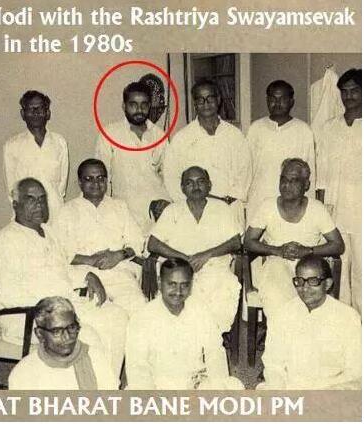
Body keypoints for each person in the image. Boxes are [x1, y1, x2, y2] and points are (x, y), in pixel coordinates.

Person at [0, 177, 128, 376]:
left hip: (64, 304)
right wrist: (53, 306)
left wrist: (87, 275)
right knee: (90, 337)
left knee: (117, 318)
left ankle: (107, 385)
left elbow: (61, 269)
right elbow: (7, 294)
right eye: (31, 199)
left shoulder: (47, 232)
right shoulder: (7, 241)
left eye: (42, 199)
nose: (38, 205)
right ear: (15, 204)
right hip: (29, 317)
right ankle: (91, 386)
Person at [244, 158, 345, 328]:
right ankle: (281, 339)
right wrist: (277, 250)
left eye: (294, 180)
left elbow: (338, 245)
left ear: (306, 185)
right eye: (283, 179)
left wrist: (308, 251)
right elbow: (248, 242)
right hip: (276, 265)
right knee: (277, 296)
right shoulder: (267, 206)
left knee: (307, 298)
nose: (286, 185)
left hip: (309, 266)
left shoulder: (317, 208)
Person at [125, 258, 244, 390]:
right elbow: (137, 368)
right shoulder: (142, 317)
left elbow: (215, 353)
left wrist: (217, 388)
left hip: (195, 384)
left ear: (191, 285)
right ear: (159, 282)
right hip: (158, 387)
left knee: (234, 386)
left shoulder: (201, 311)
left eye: (184, 285)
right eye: (172, 284)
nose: (178, 291)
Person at [148, 166, 241, 332]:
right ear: (182, 188)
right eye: (189, 183)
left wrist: (206, 255)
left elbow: (236, 242)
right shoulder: (173, 210)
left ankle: (209, 338)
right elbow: (153, 244)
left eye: (200, 182)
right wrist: (184, 258)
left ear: (209, 185)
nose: (196, 187)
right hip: (179, 270)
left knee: (221, 294)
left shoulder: (222, 209)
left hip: (215, 269)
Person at [53, 159, 147, 315]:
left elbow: (137, 241)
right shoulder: (67, 211)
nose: (96, 183)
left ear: (106, 180)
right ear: (80, 182)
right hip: (85, 276)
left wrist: (118, 255)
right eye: (89, 179)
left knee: (139, 310)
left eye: (100, 178)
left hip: (119, 273)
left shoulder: (119, 206)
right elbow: (58, 251)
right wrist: (89, 259)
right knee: (98, 317)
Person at [259, 255, 361, 390]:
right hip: (292, 387)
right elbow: (273, 364)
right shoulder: (283, 314)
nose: (305, 288)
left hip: (333, 387)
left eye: (313, 281)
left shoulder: (348, 317)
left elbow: (355, 370)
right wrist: (280, 389)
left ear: (328, 284)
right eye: (299, 281)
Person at [163, 78, 251, 228]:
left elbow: (245, 172)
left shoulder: (234, 135)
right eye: (200, 99)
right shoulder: (182, 138)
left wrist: (227, 200)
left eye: (210, 98)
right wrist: (192, 202)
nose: (206, 104)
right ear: (195, 104)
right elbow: (171, 177)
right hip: (195, 210)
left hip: (230, 208)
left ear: (218, 100)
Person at [94, 81, 171, 232]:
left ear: (149, 106)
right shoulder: (109, 134)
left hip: (156, 214)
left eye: (144, 105)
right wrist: (106, 213)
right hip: (124, 214)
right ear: (124, 106)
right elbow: (102, 178)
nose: (139, 110)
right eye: (133, 105)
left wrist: (168, 205)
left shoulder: (159, 135)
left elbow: (169, 175)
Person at [316, 68, 362, 314]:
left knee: (361, 273)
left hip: (361, 213)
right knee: (338, 272)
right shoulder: (329, 128)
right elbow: (321, 173)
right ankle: (343, 323)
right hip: (336, 211)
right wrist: (322, 209)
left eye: (354, 90)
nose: (349, 96)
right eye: (344, 91)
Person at [8, 297, 118, 390]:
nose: (67, 337)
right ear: (40, 334)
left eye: (71, 327)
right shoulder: (24, 373)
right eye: (57, 331)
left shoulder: (96, 358)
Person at [246, 80, 315, 222]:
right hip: (259, 199)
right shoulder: (255, 129)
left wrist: (308, 207)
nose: (277, 103)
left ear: (291, 102)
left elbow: (309, 174)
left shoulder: (303, 130)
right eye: (273, 99)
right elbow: (246, 169)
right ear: (267, 100)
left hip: (291, 203)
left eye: (282, 99)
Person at [3, 90, 68, 221]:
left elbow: (61, 186)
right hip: (26, 216)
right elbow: (11, 188)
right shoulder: (12, 145)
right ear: (23, 114)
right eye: (30, 109)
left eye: (40, 108)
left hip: (55, 214)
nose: (36, 112)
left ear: (48, 113)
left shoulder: (59, 142)